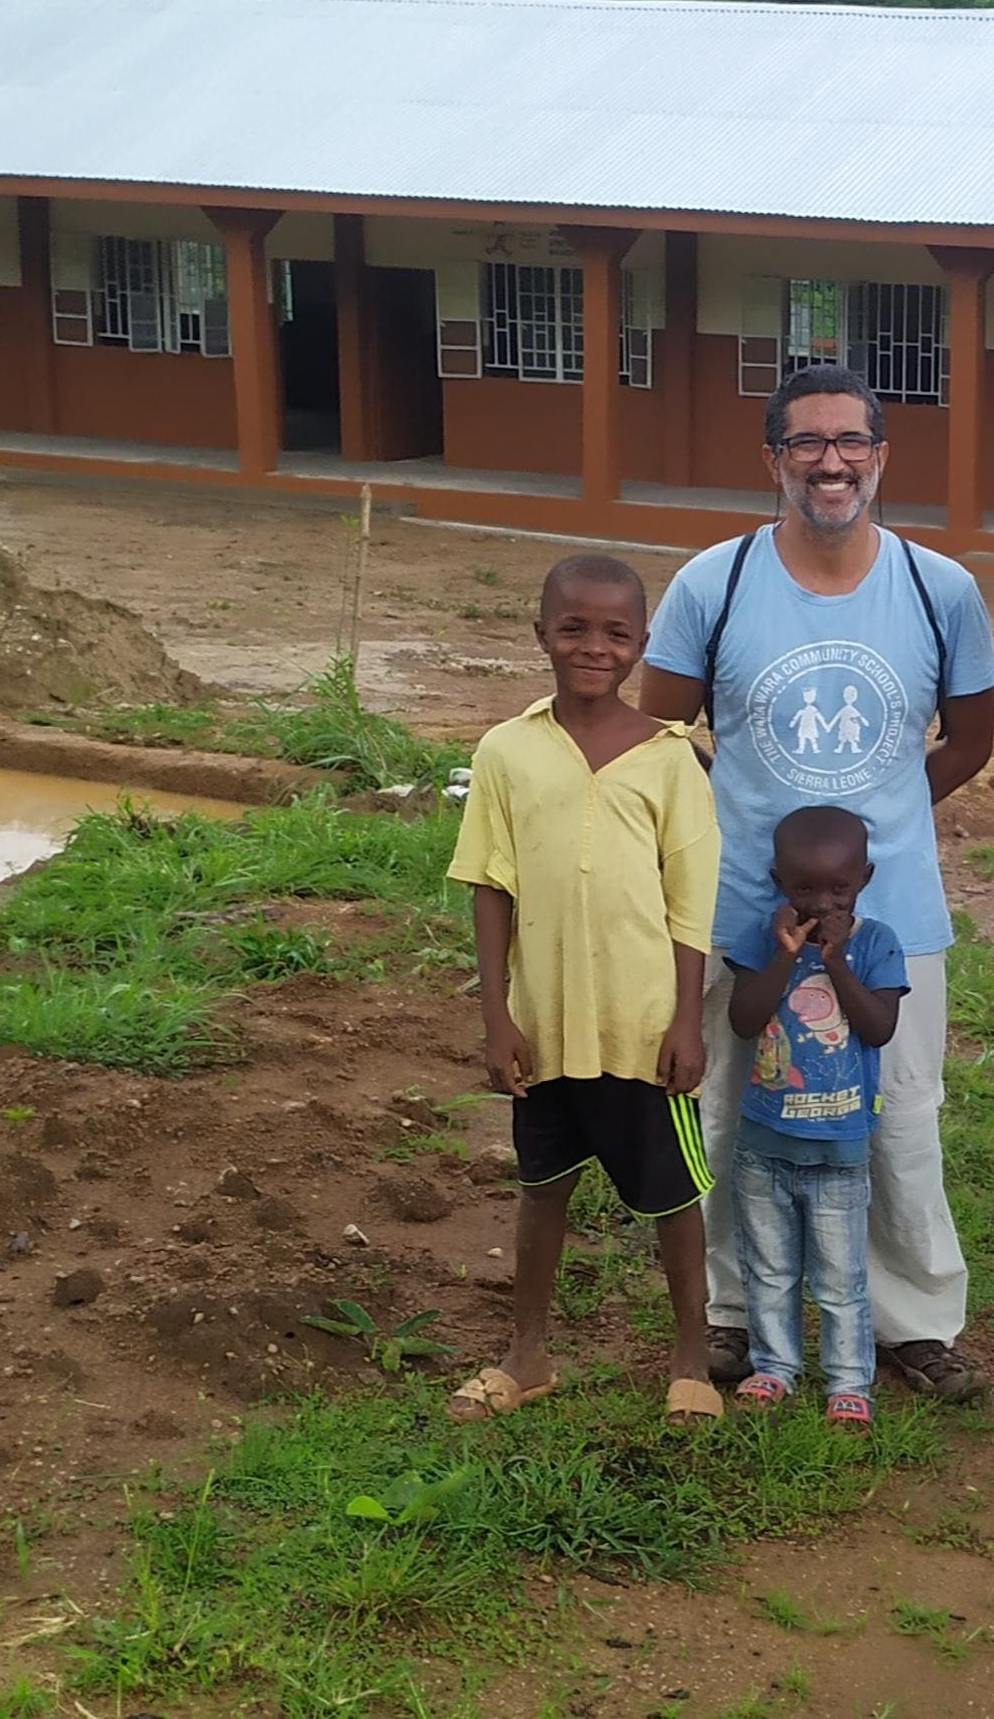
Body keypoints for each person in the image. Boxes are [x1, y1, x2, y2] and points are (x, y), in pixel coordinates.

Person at [643, 362, 994, 1407]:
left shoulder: (942, 591)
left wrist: (875, 816)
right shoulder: (716, 584)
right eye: (808, 443)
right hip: (740, 907)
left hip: (889, 913)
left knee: (897, 1109)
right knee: (723, 1101)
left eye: (852, 442)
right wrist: (742, 817)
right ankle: (728, 1316)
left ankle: (914, 1323)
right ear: (774, 460)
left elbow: (970, 740)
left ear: (882, 458)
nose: (831, 462)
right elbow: (667, 730)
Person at [445, 554, 723, 1425]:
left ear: (642, 643)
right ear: (541, 636)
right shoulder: (506, 751)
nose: (592, 647)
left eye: (615, 633)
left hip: (643, 1024)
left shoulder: (674, 760)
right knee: (543, 1186)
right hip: (547, 1021)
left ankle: (691, 1357)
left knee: (672, 1197)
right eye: (573, 629)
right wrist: (497, 1018)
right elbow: (490, 886)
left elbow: (690, 903)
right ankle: (526, 1356)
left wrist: (687, 1017)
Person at [723, 804, 909, 1426]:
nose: (823, 903)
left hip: (839, 1148)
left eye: (839, 888)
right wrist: (784, 957)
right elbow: (744, 1020)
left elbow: (879, 1028)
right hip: (764, 1141)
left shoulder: (878, 943)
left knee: (839, 1278)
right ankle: (773, 1366)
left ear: (865, 880)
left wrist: (832, 960)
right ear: (779, 882)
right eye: (805, 888)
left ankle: (848, 1382)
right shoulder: (761, 937)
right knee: (769, 1268)